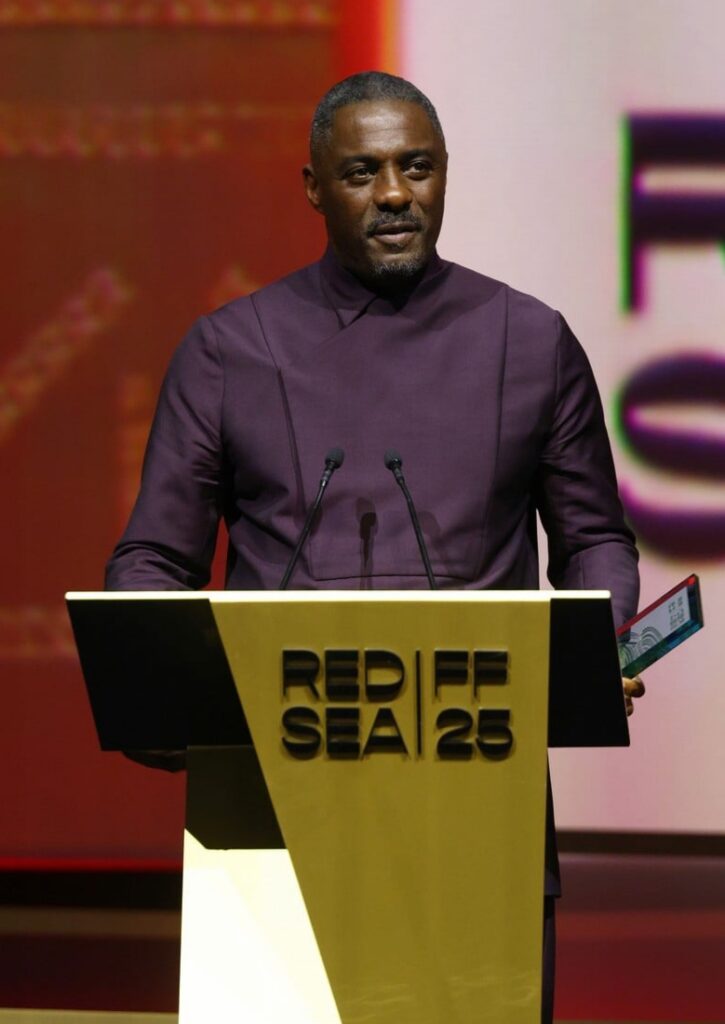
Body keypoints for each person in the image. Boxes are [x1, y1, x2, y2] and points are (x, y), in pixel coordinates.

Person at [106, 71, 644, 1023]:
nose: (395, 194)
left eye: (417, 167)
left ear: (444, 175)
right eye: (362, 172)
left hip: (474, 796)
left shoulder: (529, 341)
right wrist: (167, 679)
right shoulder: (231, 351)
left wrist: (590, 646)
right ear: (314, 187)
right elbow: (152, 561)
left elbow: (594, 539)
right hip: (272, 807)